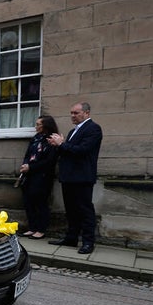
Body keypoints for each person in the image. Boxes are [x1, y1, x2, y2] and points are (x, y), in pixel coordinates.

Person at [47, 102, 102, 254]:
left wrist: (62, 144)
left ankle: (88, 242)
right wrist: (57, 145)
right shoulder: (72, 132)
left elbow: (82, 151)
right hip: (69, 177)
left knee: (85, 211)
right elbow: (68, 153)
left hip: (82, 177)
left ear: (86, 113)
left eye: (76, 113)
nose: (72, 116)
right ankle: (71, 238)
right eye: (71, 113)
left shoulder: (93, 129)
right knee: (71, 210)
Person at [18, 115, 59, 239]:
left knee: (40, 203)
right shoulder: (36, 138)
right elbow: (28, 153)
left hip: (42, 176)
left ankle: (41, 229)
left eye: (38, 124)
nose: (36, 127)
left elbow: (49, 161)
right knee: (28, 202)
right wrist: (25, 164)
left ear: (46, 125)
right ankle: (32, 227)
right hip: (29, 175)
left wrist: (31, 167)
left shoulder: (52, 139)